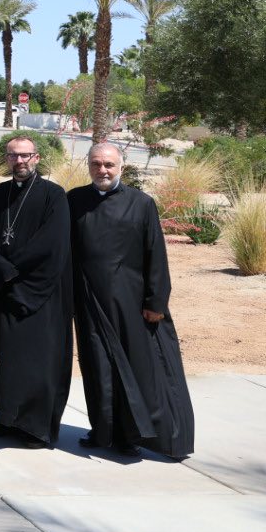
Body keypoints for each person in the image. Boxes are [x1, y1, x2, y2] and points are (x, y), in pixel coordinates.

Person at [68, 142, 194, 460]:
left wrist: (156, 302)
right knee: (96, 367)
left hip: (131, 303)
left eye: (109, 164)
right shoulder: (74, 200)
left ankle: (129, 436)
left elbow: (156, 254)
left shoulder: (141, 203)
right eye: (96, 164)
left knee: (132, 369)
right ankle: (102, 430)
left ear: (121, 167)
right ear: (88, 166)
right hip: (88, 301)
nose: (102, 170)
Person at [0, 135, 72, 449]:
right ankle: (9, 419)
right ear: (6, 159)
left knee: (39, 362)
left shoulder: (53, 195)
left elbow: (52, 244)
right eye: (13, 156)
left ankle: (35, 429)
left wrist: (12, 270)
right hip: (5, 290)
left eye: (25, 155)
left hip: (39, 292)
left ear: (36, 158)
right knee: (10, 360)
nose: (19, 161)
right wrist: (1, 269)